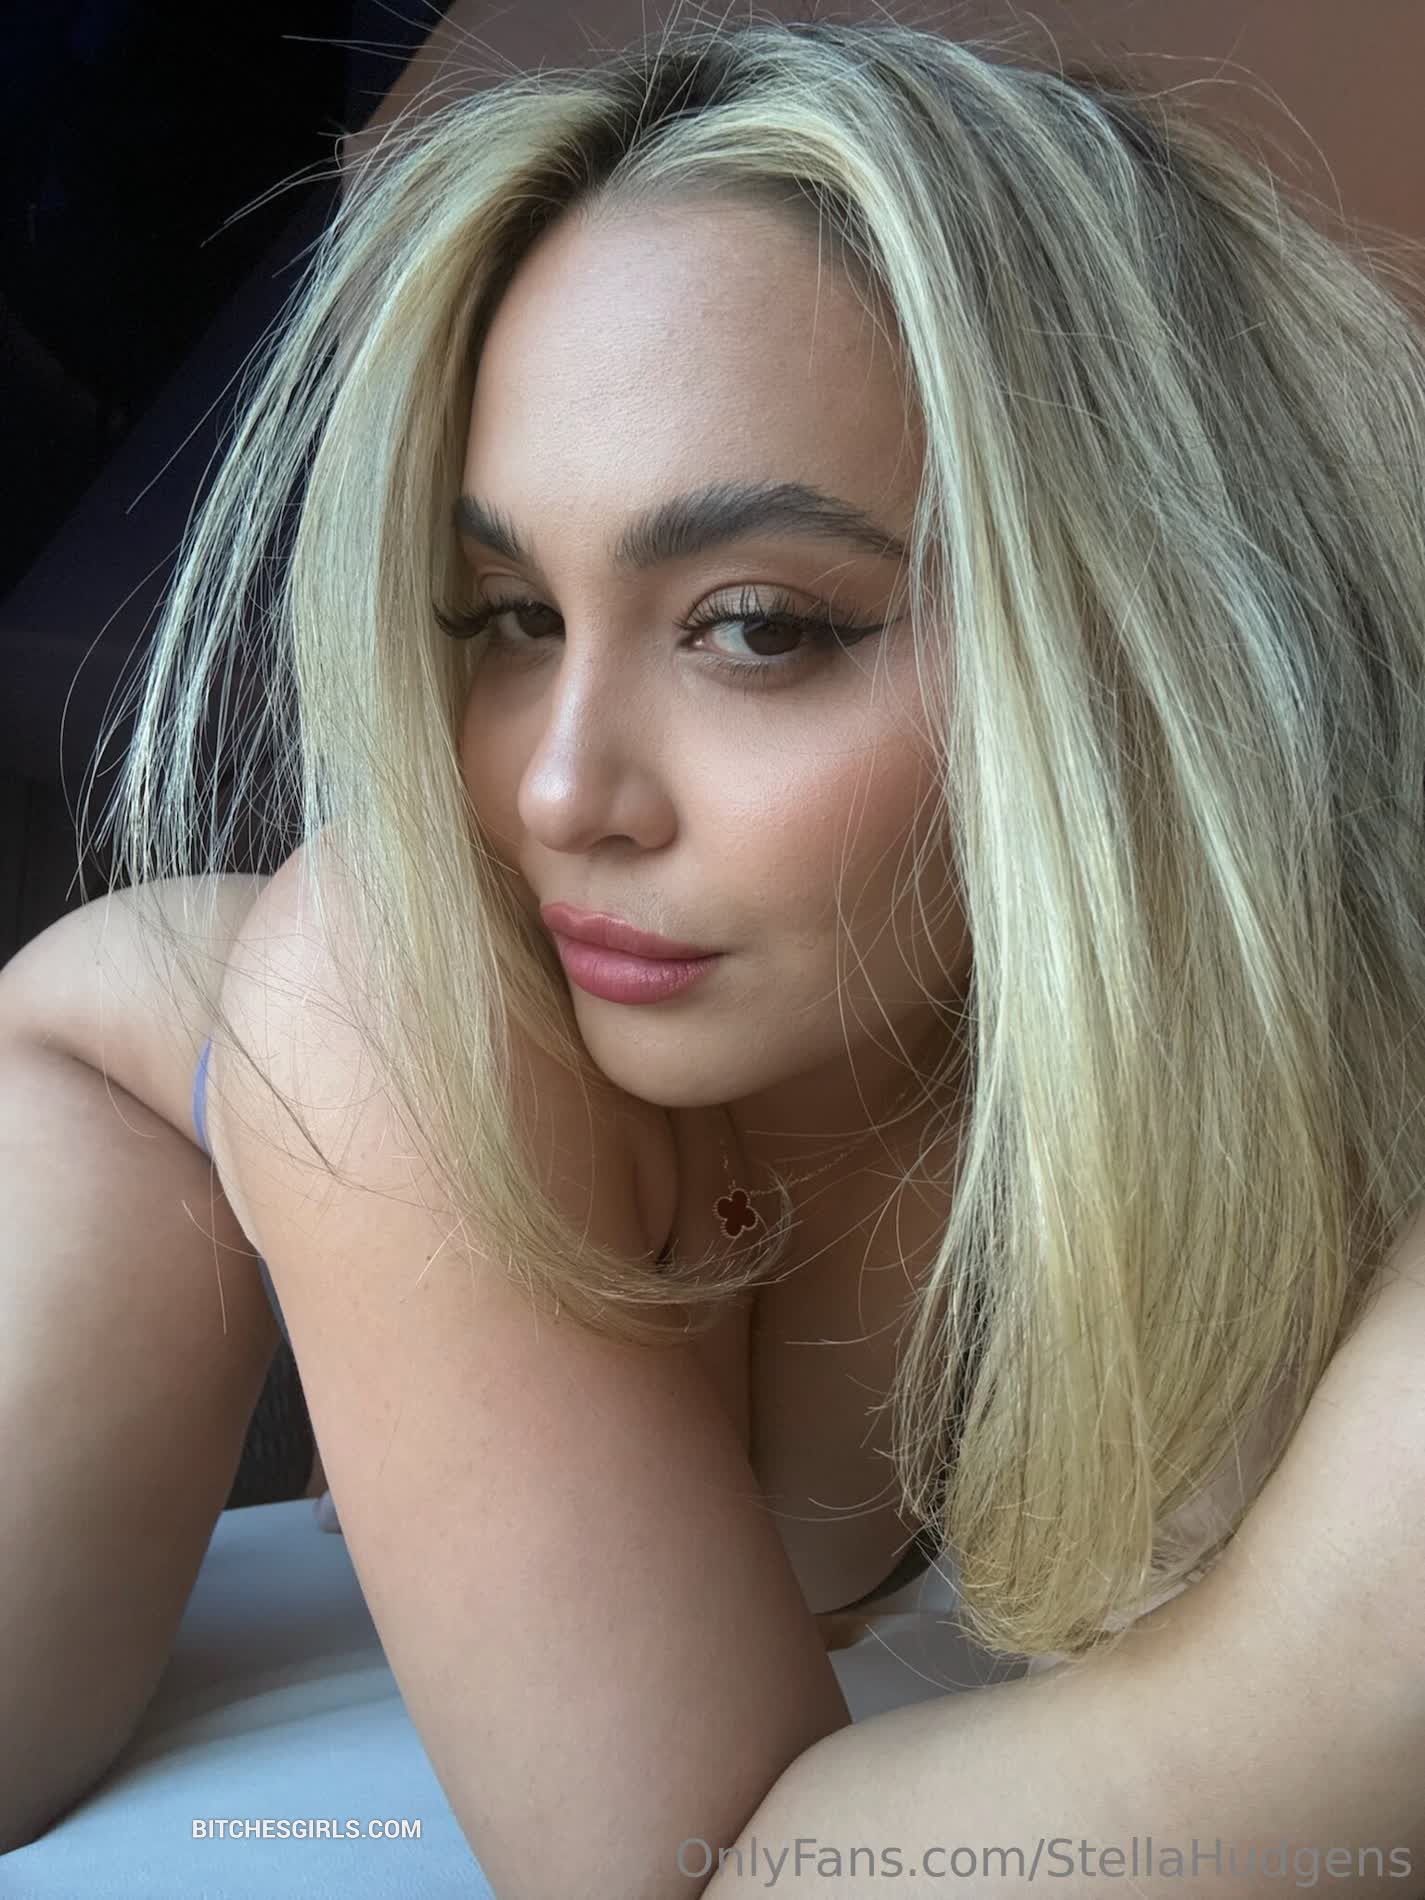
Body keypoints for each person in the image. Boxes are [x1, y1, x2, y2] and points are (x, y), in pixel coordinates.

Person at [28, 11, 1425, 1892]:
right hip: (133, 1107)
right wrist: (1332, 1681)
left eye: (755, 625)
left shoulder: (1321, 1100)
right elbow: (684, 1870)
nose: (556, 792)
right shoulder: (389, 995)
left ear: (1153, 639)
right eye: (507, 614)